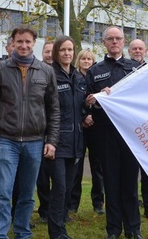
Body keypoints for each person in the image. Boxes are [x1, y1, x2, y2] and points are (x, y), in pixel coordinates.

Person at [0, 25, 60, 239]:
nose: (24, 45)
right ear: (13, 43)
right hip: (6, 140)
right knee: (3, 192)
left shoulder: (46, 71)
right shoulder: (0, 70)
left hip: (35, 141)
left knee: (27, 193)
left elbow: (54, 109)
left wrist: (51, 141)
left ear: (34, 42)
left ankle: (22, 232)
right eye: (20, 41)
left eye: (28, 41)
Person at [85, 26, 142, 239]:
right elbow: (87, 104)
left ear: (124, 41)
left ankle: (133, 230)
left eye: (118, 38)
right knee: (110, 183)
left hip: (130, 134)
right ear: (104, 42)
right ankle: (113, 230)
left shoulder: (136, 68)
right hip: (105, 134)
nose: (115, 42)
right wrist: (95, 101)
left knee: (129, 184)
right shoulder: (95, 70)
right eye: (110, 38)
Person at [46, 35, 87, 239]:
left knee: (68, 189)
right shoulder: (49, 75)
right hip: (56, 142)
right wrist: (49, 140)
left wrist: (90, 106)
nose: (67, 53)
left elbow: (80, 108)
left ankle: (61, 228)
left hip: (76, 143)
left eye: (70, 50)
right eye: (63, 50)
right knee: (60, 188)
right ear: (56, 52)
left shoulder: (79, 78)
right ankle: (56, 232)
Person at [128, 39, 148, 221]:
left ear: (146, 51)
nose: (138, 51)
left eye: (140, 48)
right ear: (129, 51)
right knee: (130, 173)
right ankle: (131, 208)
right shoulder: (123, 70)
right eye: (134, 49)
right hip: (130, 127)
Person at [71, 49, 103, 215]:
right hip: (80, 127)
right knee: (77, 167)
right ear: (79, 61)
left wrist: (92, 114)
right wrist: (84, 116)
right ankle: (73, 204)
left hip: (96, 128)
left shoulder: (96, 77)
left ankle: (98, 203)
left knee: (97, 167)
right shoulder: (74, 78)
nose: (86, 61)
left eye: (89, 58)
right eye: (83, 58)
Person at [36, 41, 56, 224]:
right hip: (38, 132)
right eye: (46, 51)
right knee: (41, 177)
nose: (49, 54)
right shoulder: (38, 71)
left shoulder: (60, 73)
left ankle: (57, 210)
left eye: (52, 51)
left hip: (56, 132)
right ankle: (44, 209)